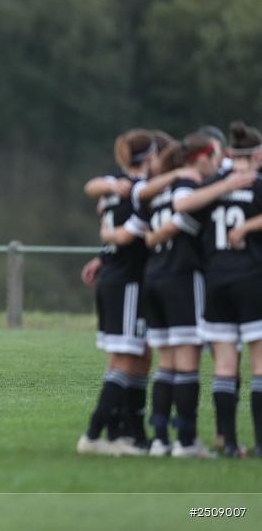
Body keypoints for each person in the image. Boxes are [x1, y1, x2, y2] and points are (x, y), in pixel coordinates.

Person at [101, 134, 220, 457]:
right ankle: (185, 440)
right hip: (181, 277)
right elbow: (177, 223)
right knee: (186, 363)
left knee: (165, 365)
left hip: (152, 277)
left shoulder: (153, 194)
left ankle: (159, 439)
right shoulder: (188, 190)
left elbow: (146, 234)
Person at [174, 121, 262, 458]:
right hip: (252, 280)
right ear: (257, 155)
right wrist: (249, 227)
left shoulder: (211, 188)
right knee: (258, 365)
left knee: (225, 366)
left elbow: (183, 212)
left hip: (216, 282)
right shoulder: (258, 185)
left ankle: (227, 442)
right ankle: (260, 445)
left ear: (228, 154)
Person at [77, 129, 154, 456]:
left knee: (135, 358)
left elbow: (92, 187)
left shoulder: (115, 187)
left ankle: (128, 434)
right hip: (128, 282)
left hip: (115, 277)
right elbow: (124, 237)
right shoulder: (140, 191)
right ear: (149, 157)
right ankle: (95, 434)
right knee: (125, 360)